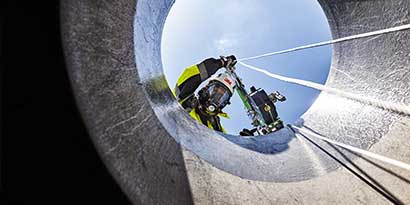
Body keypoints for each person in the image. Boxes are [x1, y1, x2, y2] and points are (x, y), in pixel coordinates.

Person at [174, 55, 285, 135]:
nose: (216, 98)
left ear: (225, 103)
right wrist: (220, 63)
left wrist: (245, 142)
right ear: (205, 89)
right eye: (215, 91)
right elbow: (189, 78)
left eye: (222, 97)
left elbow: (226, 152)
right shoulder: (185, 102)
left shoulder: (217, 127)